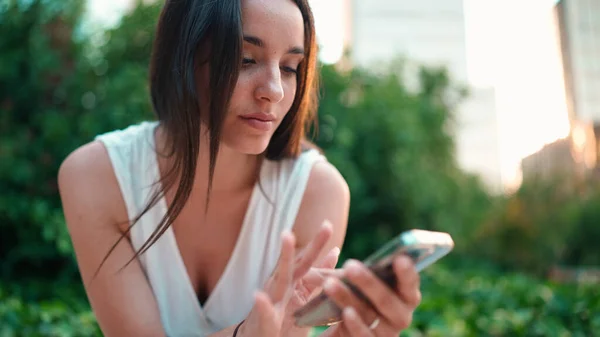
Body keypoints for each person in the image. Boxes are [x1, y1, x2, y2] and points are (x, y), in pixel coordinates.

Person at [57, 0, 422, 336]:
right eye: (245, 59)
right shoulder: (97, 178)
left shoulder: (315, 192)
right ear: (182, 57)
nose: (275, 91)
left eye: (290, 67)